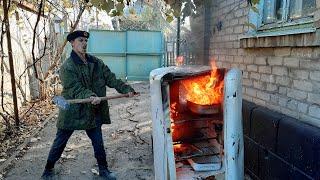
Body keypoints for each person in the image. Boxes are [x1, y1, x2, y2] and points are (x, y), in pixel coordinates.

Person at [41, 30, 135, 180]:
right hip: (72, 110)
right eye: (80, 41)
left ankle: (104, 170)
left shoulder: (96, 62)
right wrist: (90, 96)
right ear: (72, 43)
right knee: (60, 142)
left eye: (85, 41)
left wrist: (126, 89)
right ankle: (48, 169)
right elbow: (74, 88)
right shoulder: (67, 67)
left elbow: (111, 79)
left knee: (98, 142)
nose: (84, 44)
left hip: (92, 109)